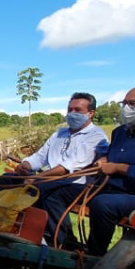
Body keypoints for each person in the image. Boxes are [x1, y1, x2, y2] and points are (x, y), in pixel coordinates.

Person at [41, 86, 135, 255]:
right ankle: (65, 244)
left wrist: (119, 168)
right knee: (53, 189)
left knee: (103, 204)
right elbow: (112, 156)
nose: (127, 108)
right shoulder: (120, 132)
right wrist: (104, 159)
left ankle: (94, 255)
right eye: (125, 103)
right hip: (108, 188)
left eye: (133, 104)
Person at [12, 92, 109, 246]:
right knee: (8, 179)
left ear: (91, 113)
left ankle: (63, 241)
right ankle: (12, 225)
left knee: (44, 189)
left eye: (78, 110)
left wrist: (38, 177)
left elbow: (68, 168)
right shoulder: (59, 134)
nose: (72, 113)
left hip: (77, 183)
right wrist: (26, 165)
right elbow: (40, 156)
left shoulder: (96, 136)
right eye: (70, 109)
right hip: (50, 179)